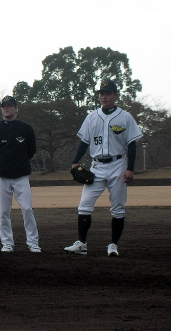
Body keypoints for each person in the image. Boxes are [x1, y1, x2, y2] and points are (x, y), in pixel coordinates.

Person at [64, 80, 143, 257]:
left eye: (107, 93)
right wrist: (75, 162)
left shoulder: (125, 117)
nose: (103, 96)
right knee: (84, 205)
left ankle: (113, 245)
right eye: (101, 93)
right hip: (96, 166)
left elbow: (131, 145)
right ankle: (82, 244)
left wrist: (130, 168)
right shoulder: (92, 117)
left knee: (117, 208)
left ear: (115, 96)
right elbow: (84, 142)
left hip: (118, 165)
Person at [0, 96, 41, 253]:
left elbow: (31, 150)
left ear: (16, 108)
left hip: (21, 176)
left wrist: (19, 164)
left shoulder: (26, 129)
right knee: (3, 212)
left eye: (10, 106)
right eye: (4, 106)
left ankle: (33, 243)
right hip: (2, 177)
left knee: (26, 209)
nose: (6, 109)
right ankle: (7, 243)